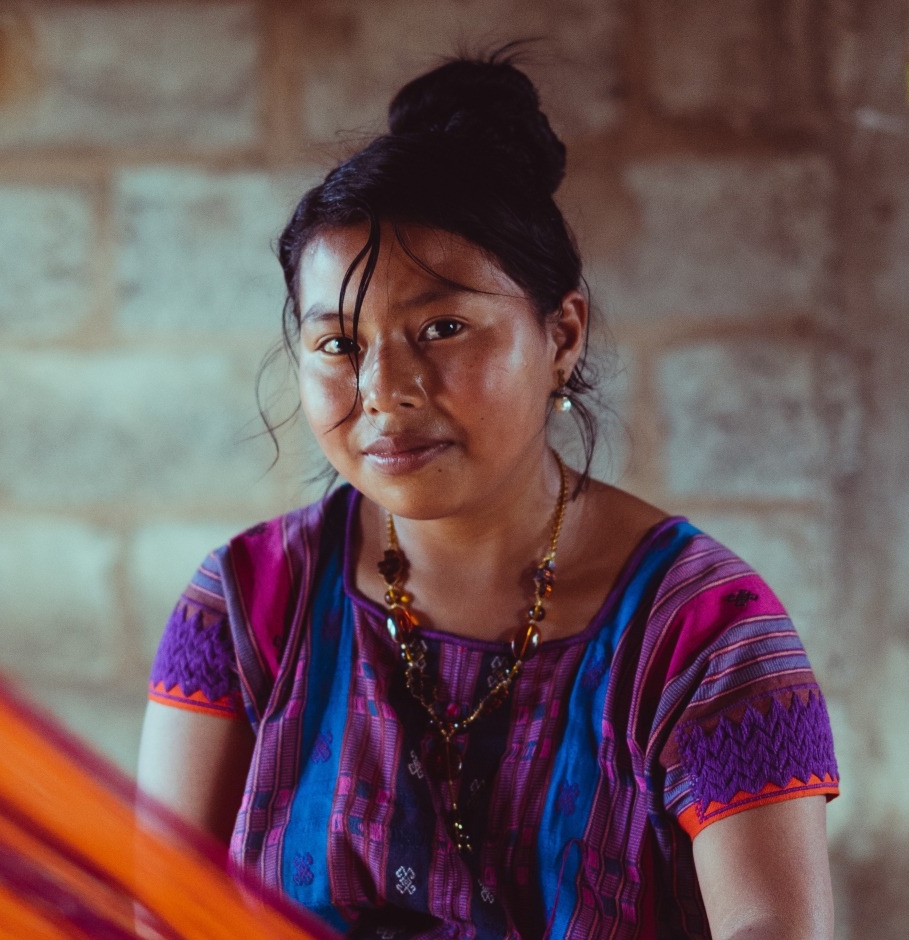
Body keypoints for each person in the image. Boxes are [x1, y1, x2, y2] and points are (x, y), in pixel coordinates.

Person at [137, 51, 839, 940]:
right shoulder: (247, 602)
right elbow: (165, 914)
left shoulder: (702, 634)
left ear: (562, 335)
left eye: (443, 328)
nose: (386, 390)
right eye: (338, 346)